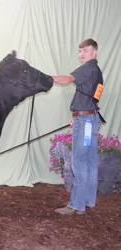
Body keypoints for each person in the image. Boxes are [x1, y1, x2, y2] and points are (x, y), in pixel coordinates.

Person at [52, 38, 103, 215]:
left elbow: (66, 79)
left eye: (86, 50)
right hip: (91, 118)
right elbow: (96, 97)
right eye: (80, 51)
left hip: (85, 122)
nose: (82, 54)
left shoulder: (87, 68)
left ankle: (75, 205)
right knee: (89, 162)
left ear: (94, 52)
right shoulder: (98, 71)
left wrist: (44, 77)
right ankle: (88, 201)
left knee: (78, 162)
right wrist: (82, 113)